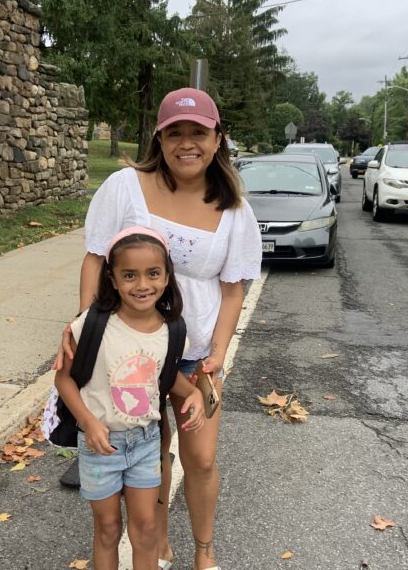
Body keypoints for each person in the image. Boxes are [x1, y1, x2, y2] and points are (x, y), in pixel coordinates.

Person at [55, 87, 262, 570]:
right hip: (129, 351)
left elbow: (234, 290)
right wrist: (87, 330)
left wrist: (218, 354)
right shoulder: (125, 186)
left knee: (202, 458)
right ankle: (158, 540)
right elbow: (95, 257)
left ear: (217, 139)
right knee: (154, 451)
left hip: (196, 354)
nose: (186, 143)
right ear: (160, 138)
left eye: (198, 133)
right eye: (175, 133)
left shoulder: (235, 210)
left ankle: (204, 551)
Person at [54, 226, 206, 570]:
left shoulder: (174, 332)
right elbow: (64, 380)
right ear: (113, 278)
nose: (142, 285)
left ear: (167, 276)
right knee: (107, 528)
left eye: (153, 273)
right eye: (129, 275)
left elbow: (165, 381)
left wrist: (194, 393)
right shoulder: (90, 326)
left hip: (146, 443)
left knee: (147, 527)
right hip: (99, 444)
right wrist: (88, 422)